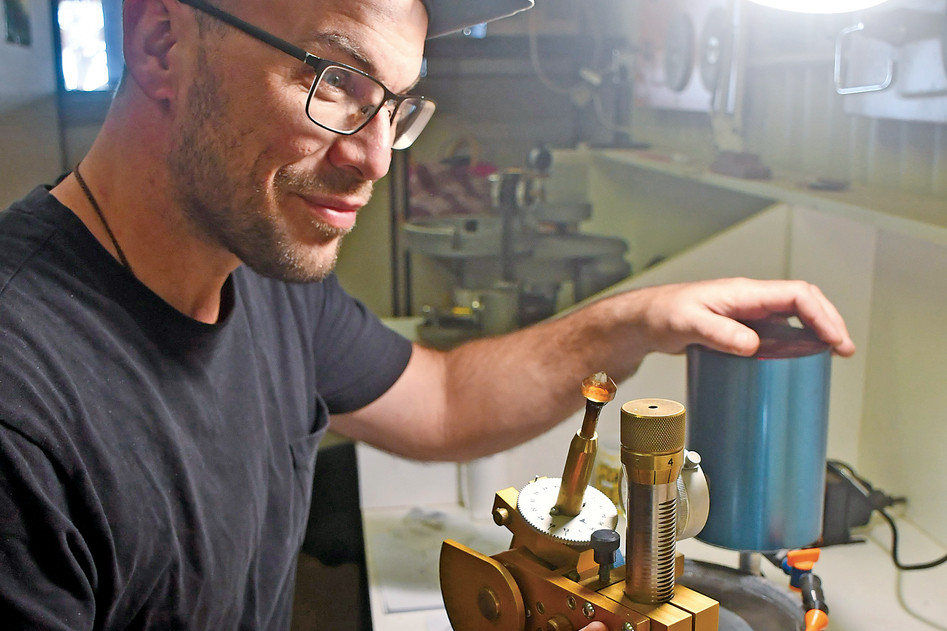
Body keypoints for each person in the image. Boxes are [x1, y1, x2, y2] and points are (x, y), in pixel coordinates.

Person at [0, 0, 855, 628]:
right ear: (161, 45)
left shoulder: (264, 278)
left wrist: (635, 320)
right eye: (334, 80)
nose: (374, 156)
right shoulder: (23, 402)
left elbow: (442, 399)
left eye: (395, 105)